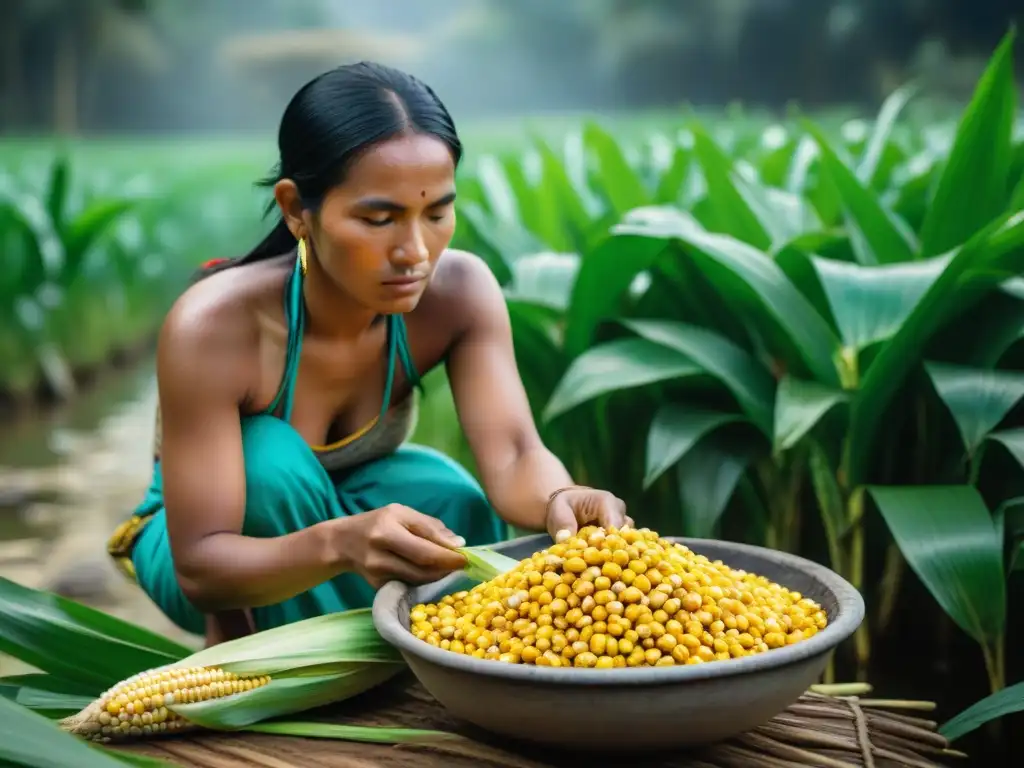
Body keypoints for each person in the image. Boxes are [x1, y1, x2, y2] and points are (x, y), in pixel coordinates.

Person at [107, 61, 631, 647]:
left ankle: (430, 659)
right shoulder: (216, 326)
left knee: (450, 496)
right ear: (295, 209)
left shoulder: (458, 294)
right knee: (271, 464)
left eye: (436, 214)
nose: (414, 252)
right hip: (211, 549)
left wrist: (562, 498)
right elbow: (201, 566)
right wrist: (341, 543)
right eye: (379, 219)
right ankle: (267, 655)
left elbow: (512, 454)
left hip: (348, 518)